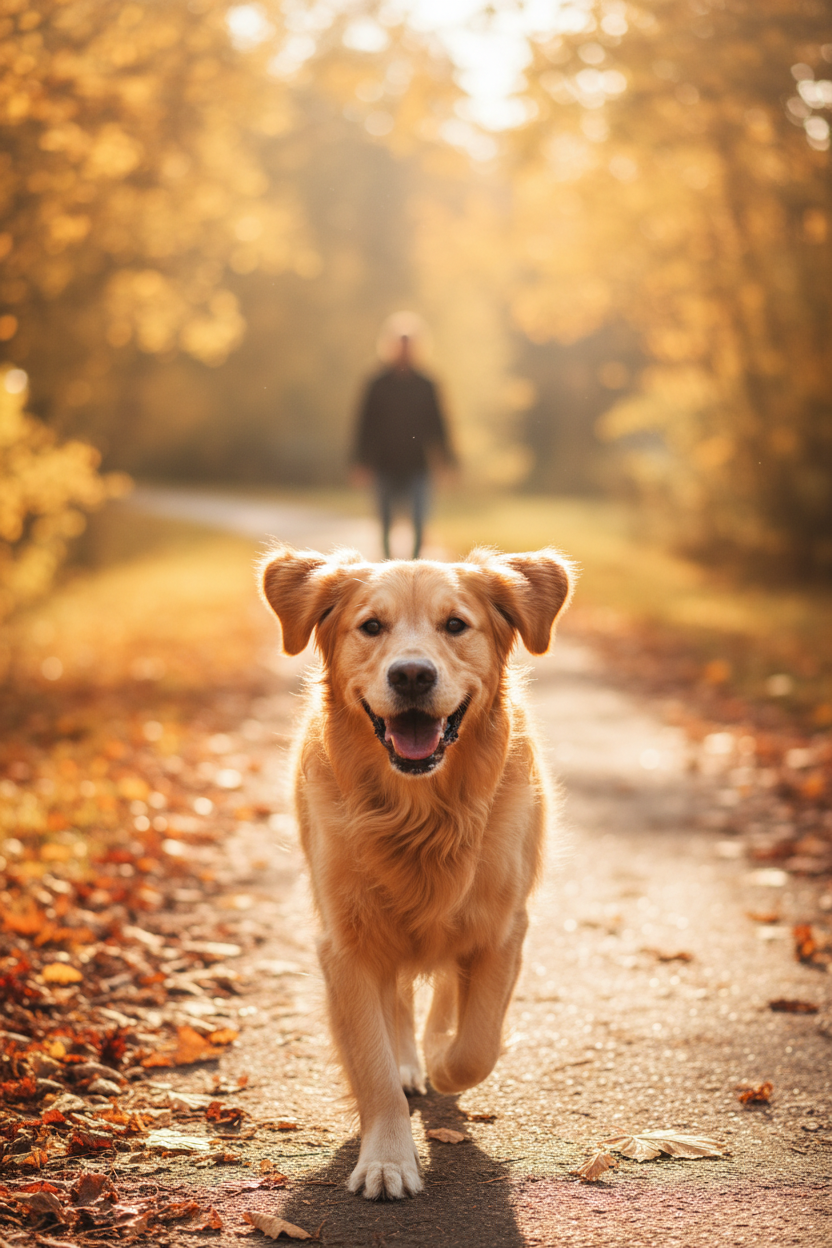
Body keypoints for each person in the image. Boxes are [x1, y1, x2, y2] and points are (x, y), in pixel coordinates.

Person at [351, 312, 455, 560]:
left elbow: (439, 425)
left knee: (420, 522)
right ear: (390, 346)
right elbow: (364, 426)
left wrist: (448, 460)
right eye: (400, 344)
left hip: (417, 466)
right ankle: (386, 568)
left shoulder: (427, 384)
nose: (405, 350)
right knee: (385, 524)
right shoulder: (376, 383)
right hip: (384, 465)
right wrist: (359, 462)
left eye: (410, 345)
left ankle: (416, 567)